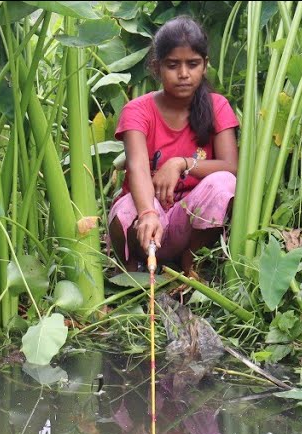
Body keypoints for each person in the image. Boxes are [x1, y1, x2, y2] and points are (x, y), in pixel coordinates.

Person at [109, 17, 239, 278]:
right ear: (157, 68)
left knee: (225, 182)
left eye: (192, 64)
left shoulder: (217, 106)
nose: (183, 74)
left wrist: (181, 163)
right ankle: (134, 266)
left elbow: (230, 166)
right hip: (145, 216)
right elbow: (137, 168)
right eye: (172, 65)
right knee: (125, 212)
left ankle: (191, 259)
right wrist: (147, 212)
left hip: (189, 221)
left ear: (204, 65)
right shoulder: (137, 110)